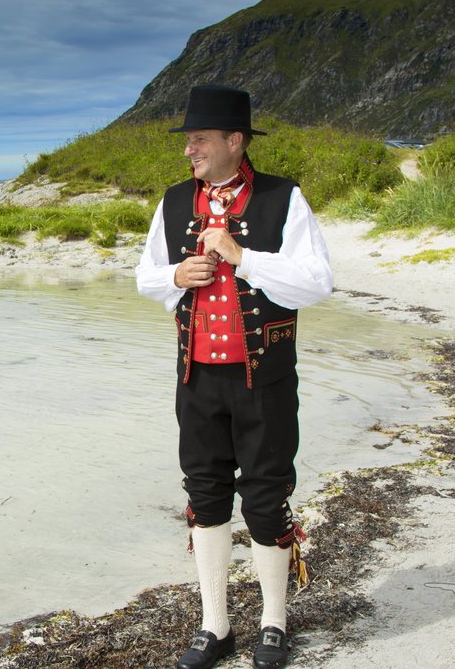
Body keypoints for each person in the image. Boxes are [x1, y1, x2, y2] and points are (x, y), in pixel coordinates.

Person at [135, 85, 333, 669]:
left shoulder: (283, 197)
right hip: (196, 378)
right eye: (188, 140)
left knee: (267, 499)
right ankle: (215, 626)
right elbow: (145, 277)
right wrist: (177, 276)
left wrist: (244, 258)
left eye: (199, 139)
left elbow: (317, 282)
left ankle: (273, 622)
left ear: (234, 140)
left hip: (263, 380)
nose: (189, 149)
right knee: (205, 495)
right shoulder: (174, 200)